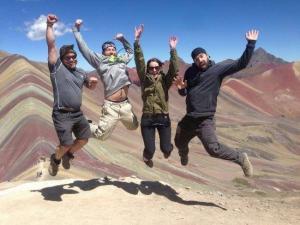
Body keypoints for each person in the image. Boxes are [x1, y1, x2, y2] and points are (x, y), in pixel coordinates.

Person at [173, 29, 259, 177]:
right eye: (196, 58)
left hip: (205, 120)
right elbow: (185, 93)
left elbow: (241, 63)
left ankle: (240, 158)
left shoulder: (217, 69)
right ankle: (184, 154)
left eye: (201, 56)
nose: (200, 60)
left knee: (213, 149)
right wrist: (181, 89)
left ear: (207, 55)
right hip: (190, 118)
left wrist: (250, 44)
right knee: (179, 142)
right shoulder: (190, 73)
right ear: (194, 61)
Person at [46, 14, 98, 176]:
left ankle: (68, 155)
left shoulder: (81, 72)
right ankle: (55, 159)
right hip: (62, 114)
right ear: (61, 59)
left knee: (84, 139)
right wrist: (49, 26)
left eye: (74, 56)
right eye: (68, 57)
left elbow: (89, 87)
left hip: (78, 113)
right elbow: (52, 45)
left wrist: (92, 84)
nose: (72, 59)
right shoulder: (57, 68)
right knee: (66, 143)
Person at [72, 19, 139, 141]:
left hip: (125, 105)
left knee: (134, 126)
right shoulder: (99, 60)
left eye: (113, 48)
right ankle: (82, 124)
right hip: (111, 106)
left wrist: (122, 39)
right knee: (101, 136)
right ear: (103, 52)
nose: (112, 50)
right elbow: (84, 49)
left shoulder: (121, 59)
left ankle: (123, 118)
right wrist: (76, 30)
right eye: (108, 49)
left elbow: (130, 51)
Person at [134, 24, 179, 167]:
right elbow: (139, 62)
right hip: (147, 119)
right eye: (151, 67)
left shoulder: (165, 80)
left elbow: (174, 69)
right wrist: (137, 42)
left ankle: (168, 149)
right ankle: (147, 158)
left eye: (156, 67)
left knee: (166, 149)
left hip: (163, 117)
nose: (153, 69)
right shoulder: (144, 78)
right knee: (150, 149)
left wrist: (172, 50)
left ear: (160, 68)